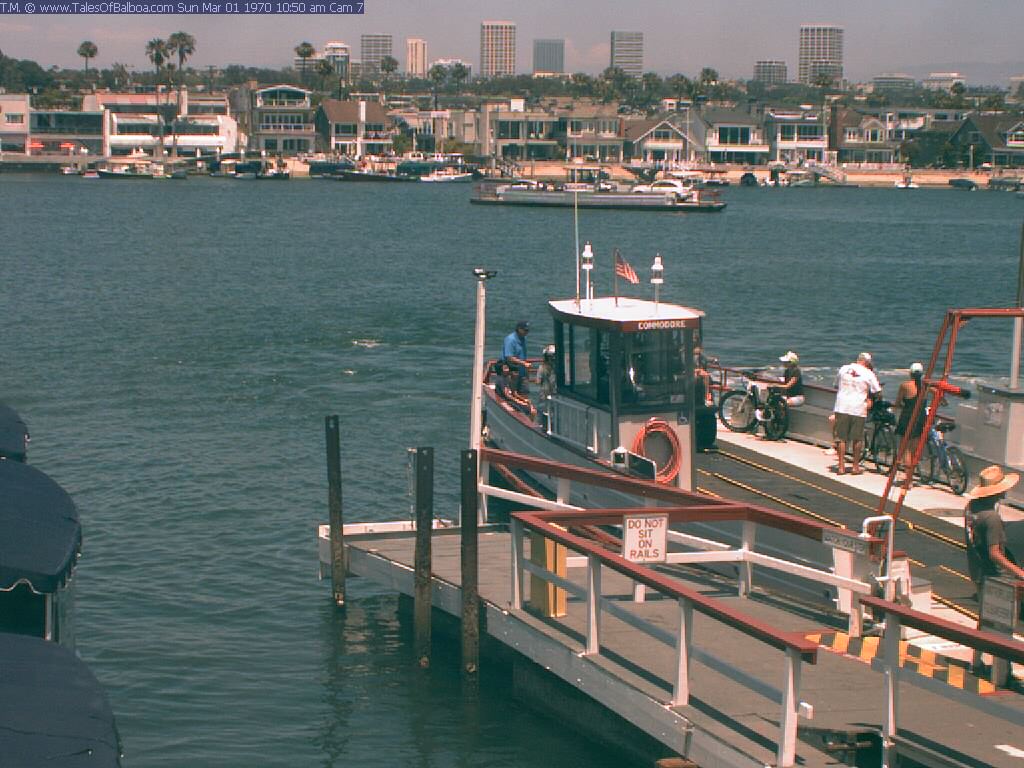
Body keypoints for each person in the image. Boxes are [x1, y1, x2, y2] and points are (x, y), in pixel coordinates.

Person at [965, 465, 1024, 598]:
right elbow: (994, 554)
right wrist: (1020, 573)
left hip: (977, 570)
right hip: (996, 574)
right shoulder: (992, 518)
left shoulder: (970, 507)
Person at [831, 352, 881, 475]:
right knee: (857, 438)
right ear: (868, 363)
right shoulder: (868, 373)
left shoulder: (844, 368)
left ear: (858, 359)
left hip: (842, 406)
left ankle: (841, 466)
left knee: (841, 438)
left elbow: (836, 385)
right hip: (858, 408)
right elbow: (877, 391)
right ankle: (855, 467)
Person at [894, 362, 928, 486]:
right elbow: (940, 397)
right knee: (914, 450)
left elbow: (898, 403)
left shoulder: (905, 385)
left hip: (907, 418)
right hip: (921, 419)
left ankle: (908, 480)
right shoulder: (926, 386)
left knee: (906, 450)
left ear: (910, 373)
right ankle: (911, 477)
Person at [502, 320, 530, 394]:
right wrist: (523, 363)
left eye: (527, 330)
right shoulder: (510, 340)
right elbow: (509, 357)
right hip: (512, 372)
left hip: (522, 373)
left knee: (525, 393)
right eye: (525, 330)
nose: (526, 332)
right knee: (512, 394)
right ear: (519, 329)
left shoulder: (523, 339)